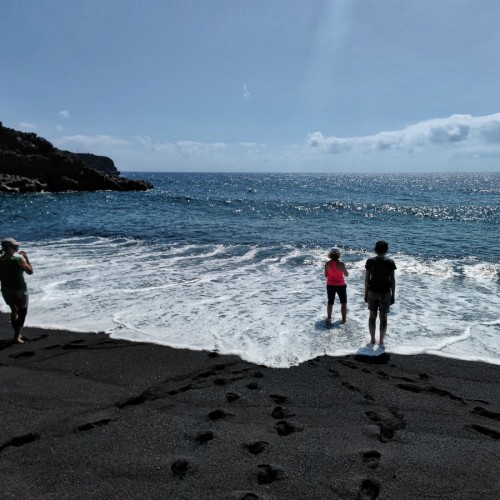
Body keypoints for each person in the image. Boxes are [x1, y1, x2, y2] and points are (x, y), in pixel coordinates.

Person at [0, 238, 33, 344]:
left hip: (6, 290)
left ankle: (17, 335)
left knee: (14, 311)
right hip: (20, 289)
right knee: (22, 312)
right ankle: (17, 337)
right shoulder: (19, 259)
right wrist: (26, 258)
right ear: (9, 247)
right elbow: (30, 271)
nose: (17, 248)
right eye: (15, 246)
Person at [364, 240, 396, 347]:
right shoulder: (390, 262)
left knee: (372, 316)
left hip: (372, 291)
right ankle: (381, 341)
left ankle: (373, 339)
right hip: (385, 292)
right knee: (383, 318)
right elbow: (392, 280)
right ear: (386, 250)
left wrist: (365, 293)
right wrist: (393, 295)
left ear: (375, 249)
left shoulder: (370, 261)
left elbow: (367, 279)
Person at [324, 247, 349, 324]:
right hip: (341, 285)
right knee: (343, 303)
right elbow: (346, 274)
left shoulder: (327, 264)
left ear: (330, 255)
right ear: (338, 255)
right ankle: (344, 320)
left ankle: (329, 318)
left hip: (330, 285)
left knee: (330, 302)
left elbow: (326, 275)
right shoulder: (341, 264)